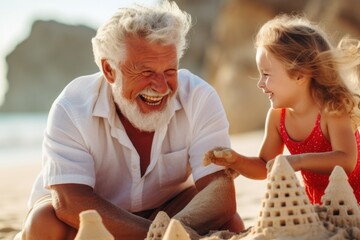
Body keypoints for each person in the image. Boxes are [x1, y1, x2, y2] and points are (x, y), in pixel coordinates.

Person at [19, 1, 244, 239]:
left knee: (231, 222)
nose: (161, 87)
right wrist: (158, 236)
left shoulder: (199, 97)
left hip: (167, 208)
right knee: (43, 225)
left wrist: (174, 229)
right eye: (146, 72)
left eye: (170, 71)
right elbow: (69, 201)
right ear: (109, 70)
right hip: (94, 214)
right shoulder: (71, 107)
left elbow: (218, 190)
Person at [205, 14, 360, 223]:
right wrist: (237, 160)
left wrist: (298, 161)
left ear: (299, 74)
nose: (260, 83)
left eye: (266, 74)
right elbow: (266, 166)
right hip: (317, 201)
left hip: (355, 199)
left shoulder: (333, 109)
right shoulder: (276, 118)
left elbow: (347, 160)